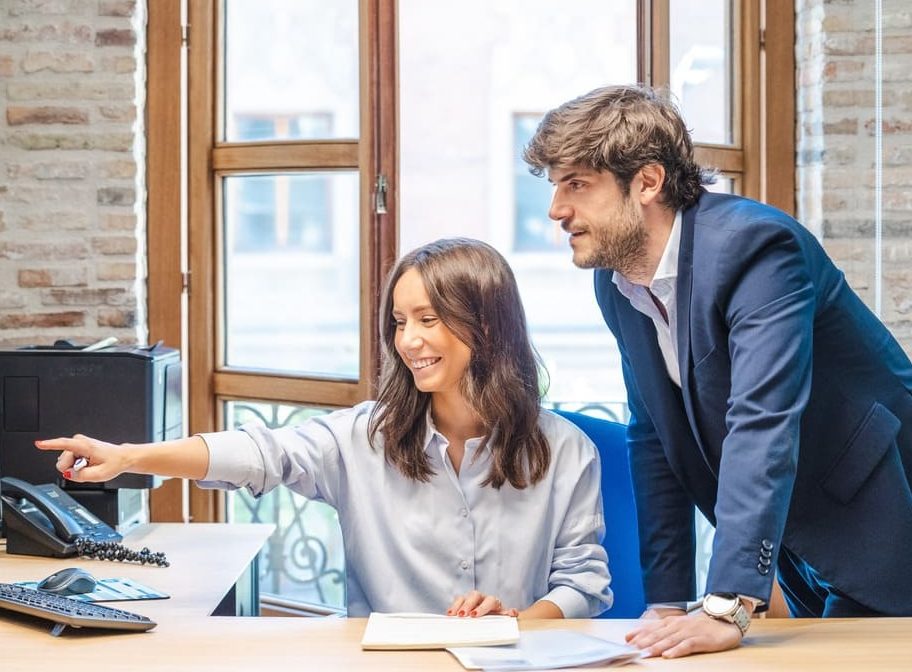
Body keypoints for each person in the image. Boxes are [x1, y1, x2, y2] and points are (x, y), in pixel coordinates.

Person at [523, 85, 912, 657]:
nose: (556, 209)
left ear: (648, 181)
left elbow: (763, 420)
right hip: (798, 536)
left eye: (576, 184)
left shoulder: (757, 248)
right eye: (555, 186)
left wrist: (728, 601)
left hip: (883, 509)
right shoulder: (616, 281)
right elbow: (653, 435)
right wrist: (666, 602)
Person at [36, 237, 613, 620]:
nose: (407, 340)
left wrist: (516, 623)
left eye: (428, 320)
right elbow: (260, 453)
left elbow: (583, 584)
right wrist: (130, 456)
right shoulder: (364, 438)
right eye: (399, 321)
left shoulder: (566, 450)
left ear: (486, 325)